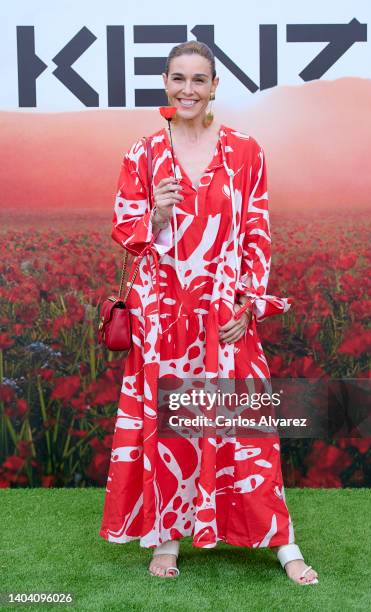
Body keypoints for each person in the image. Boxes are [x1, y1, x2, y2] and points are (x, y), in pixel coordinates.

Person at [99, 41, 318, 586]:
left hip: (223, 312)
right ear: (165, 83)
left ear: (215, 86)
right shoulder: (143, 152)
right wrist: (157, 214)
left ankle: (283, 542)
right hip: (164, 314)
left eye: (199, 80)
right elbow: (126, 235)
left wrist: (249, 304)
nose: (188, 89)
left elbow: (258, 232)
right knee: (170, 428)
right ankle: (167, 539)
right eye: (178, 79)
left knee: (247, 428)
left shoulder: (245, 150)